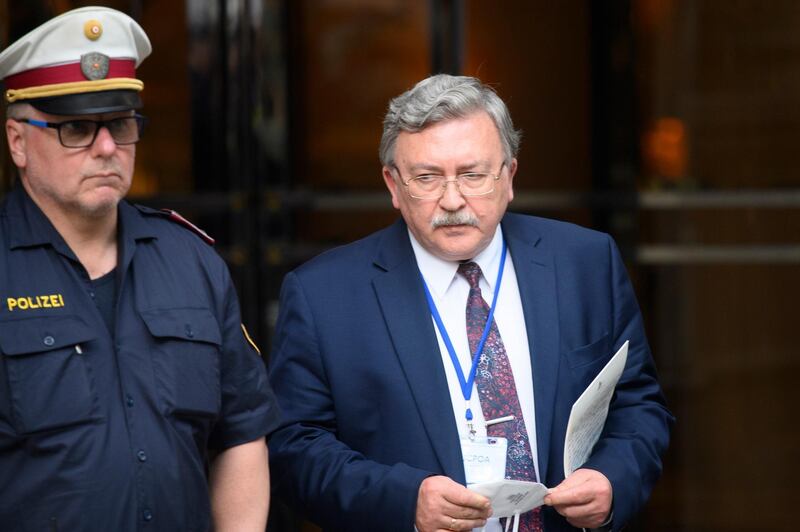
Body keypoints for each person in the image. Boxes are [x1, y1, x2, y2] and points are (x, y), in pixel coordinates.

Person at [267, 74, 674, 532]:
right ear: (393, 185)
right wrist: (405, 503)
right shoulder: (325, 295)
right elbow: (293, 449)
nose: (453, 200)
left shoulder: (584, 262)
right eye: (427, 178)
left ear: (510, 176)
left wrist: (612, 480)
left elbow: (638, 404)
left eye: (473, 175)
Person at [0, 7, 280, 531]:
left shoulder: (190, 260)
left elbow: (241, 431)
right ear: (18, 140)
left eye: (121, 124)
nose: (106, 148)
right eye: (77, 128)